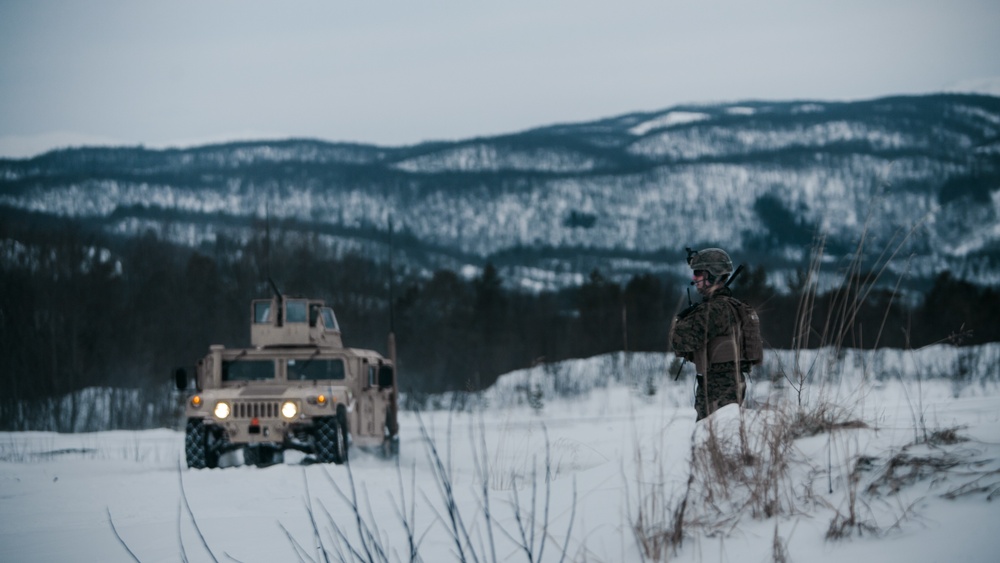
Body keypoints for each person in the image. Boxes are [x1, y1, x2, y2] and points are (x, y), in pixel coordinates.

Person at [670, 248, 758, 421]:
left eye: (698, 273)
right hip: (726, 382)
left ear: (713, 275)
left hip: (718, 386)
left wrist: (679, 321)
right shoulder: (729, 305)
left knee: (713, 437)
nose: (694, 278)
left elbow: (680, 341)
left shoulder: (715, 309)